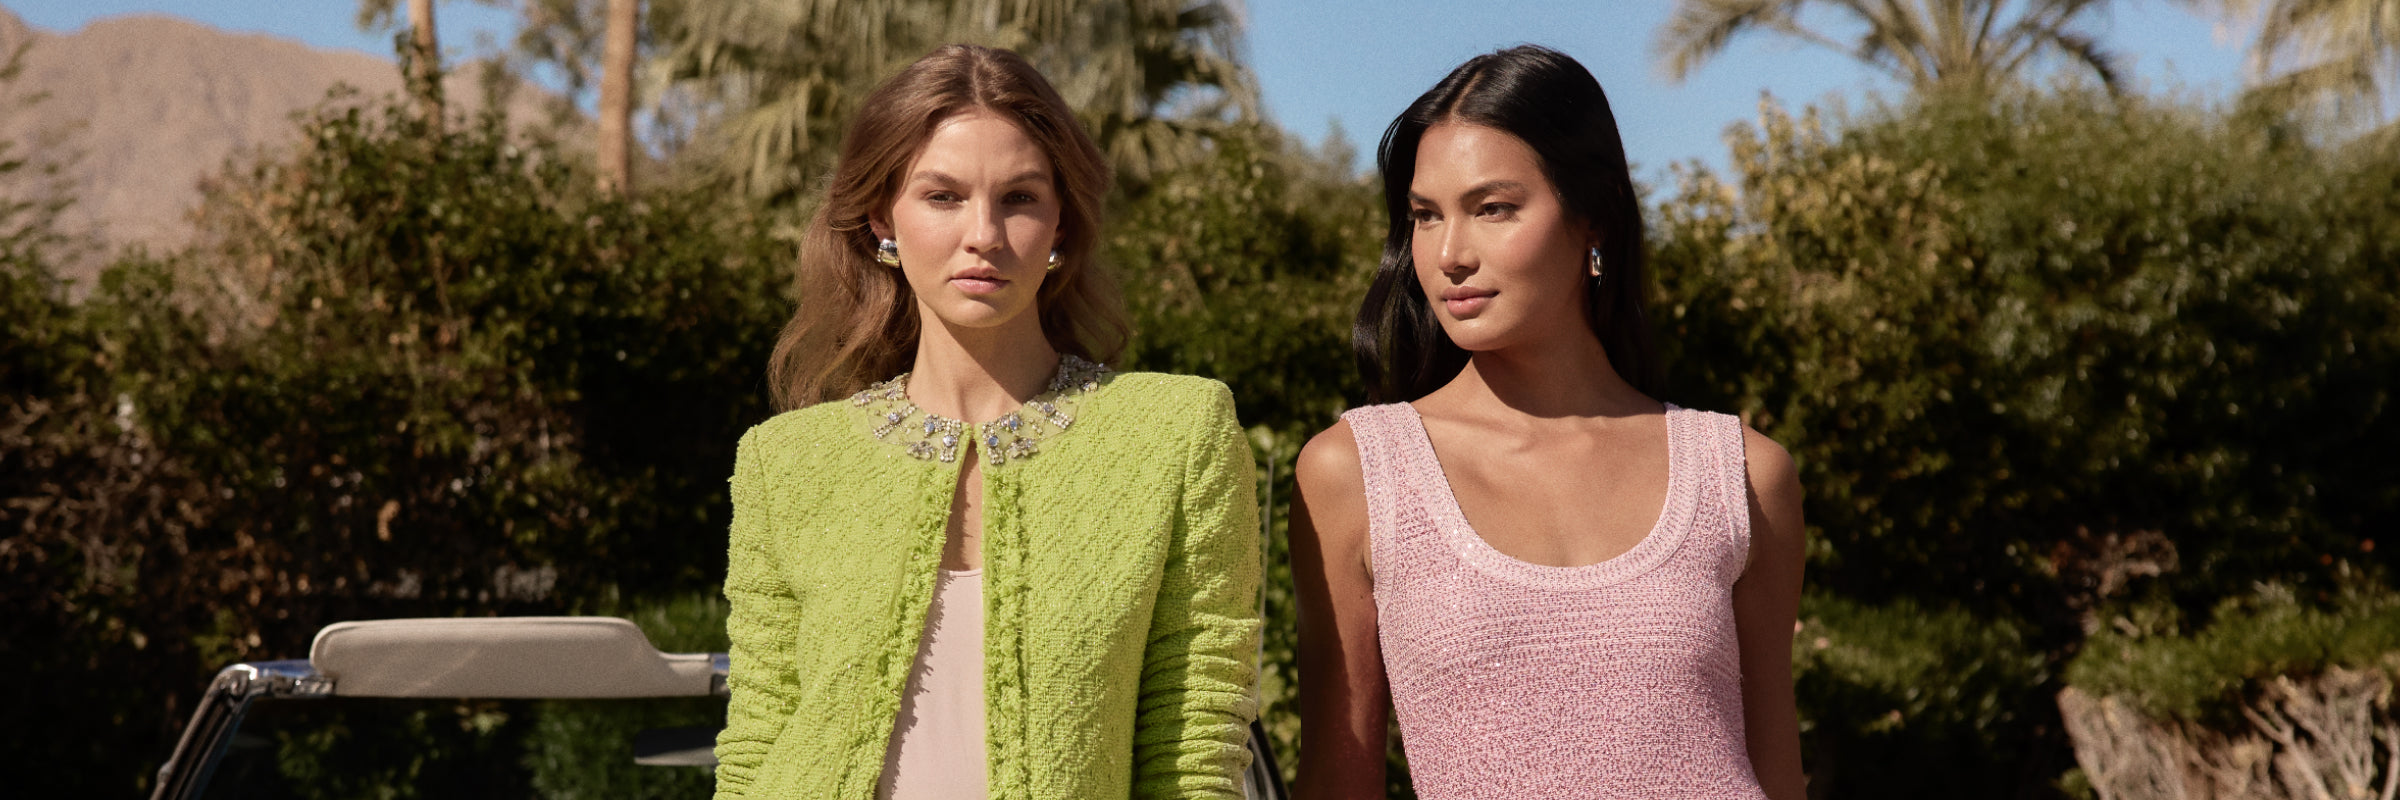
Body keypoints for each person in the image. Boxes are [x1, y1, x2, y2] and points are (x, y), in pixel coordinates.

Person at [713, 43, 1261, 800]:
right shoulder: (787, 462)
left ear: (1062, 219)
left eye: (1020, 198)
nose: (985, 235)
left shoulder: (1175, 434)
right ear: (882, 220)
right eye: (942, 197)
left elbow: (1194, 742)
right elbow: (757, 742)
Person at [1288, 45, 1807, 799]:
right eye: (1425, 217)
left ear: (1592, 218)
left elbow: (1776, 770)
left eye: (1493, 208)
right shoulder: (1357, 473)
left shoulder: (1743, 474)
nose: (1449, 254)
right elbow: (1340, 780)